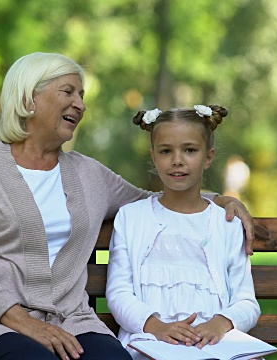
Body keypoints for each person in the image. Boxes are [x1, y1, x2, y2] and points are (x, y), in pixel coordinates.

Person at [0, 52, 255, 360]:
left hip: (70, 321)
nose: (80, 104)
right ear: (27, 100)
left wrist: (220, 200)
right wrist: (21, 320)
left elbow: (156, 201)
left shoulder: (88, 173)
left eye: (82, 94)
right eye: (68, 92)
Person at [106, 105, 260, 359]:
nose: (177, 160)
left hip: (213, 344)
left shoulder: (226, 223)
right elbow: (119, 292)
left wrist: (220, 323)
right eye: (166, 151)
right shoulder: (132, 218)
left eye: (190, 150)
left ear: (208, 157)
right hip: (150, 342)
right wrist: (155, 326)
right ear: (153, 156)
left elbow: (247, 302)